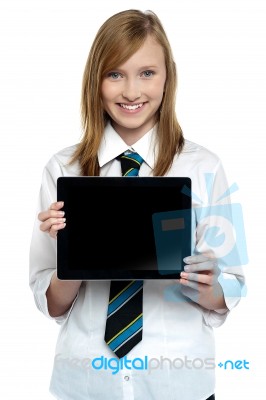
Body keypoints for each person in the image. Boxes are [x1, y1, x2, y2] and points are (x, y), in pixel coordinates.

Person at [29, 9, 245, 400]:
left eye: (147, 73)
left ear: (168, 77)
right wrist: (72, 252)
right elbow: (54, 305)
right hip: (87, 384)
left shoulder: (204, 167)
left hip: (178, 384)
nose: (131, 91)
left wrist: (208, 284)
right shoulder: (62, 169)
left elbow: (230, 290)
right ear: (96, 80)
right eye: (115, 74)